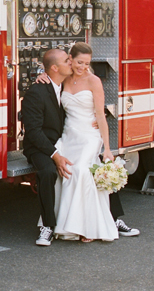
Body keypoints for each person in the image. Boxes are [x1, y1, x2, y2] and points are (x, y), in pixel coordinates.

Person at [22, 43, 139, 246]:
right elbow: (50, 71)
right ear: (69, 61)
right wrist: (40, 73)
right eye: (76, 61)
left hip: (89, 135)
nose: (82, 66)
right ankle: (58, 225)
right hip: (66, 136)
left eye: (87, 63)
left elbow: (101, 117)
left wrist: (108, 149)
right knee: (68, 171)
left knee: (87, 169)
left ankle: (106, 221)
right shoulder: (59, 80)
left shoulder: (93, 81)